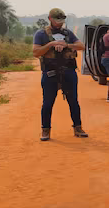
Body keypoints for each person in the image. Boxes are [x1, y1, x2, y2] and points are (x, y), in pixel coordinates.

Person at [33, 8, 88, 141]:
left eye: (62, 20)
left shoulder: (68, 33)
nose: (60, 23)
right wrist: (52, 44)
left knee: (73, 101)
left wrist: (66, 45)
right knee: (47, 103)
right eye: (57, 20)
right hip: (50, 72)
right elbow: (36, 52)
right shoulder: (41, 34)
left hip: (68, 71)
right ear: (50, 19)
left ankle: (78, 128)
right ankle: (45, 130)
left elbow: (81, 46)